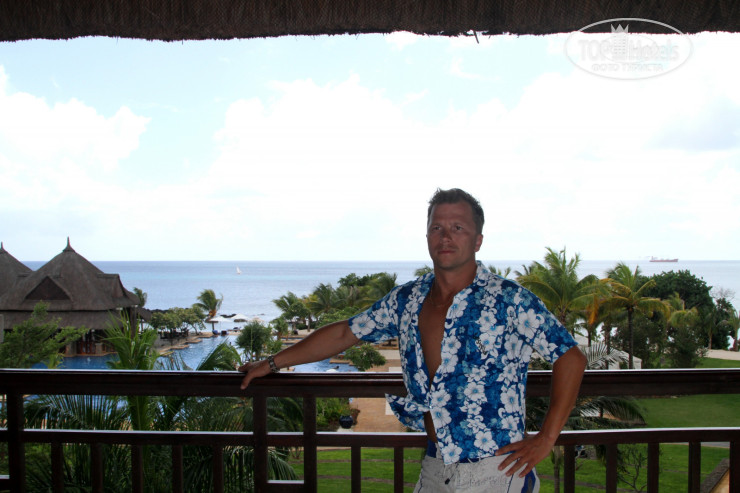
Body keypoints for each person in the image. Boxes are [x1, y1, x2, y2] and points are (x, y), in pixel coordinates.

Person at [240, 188, 587, 492]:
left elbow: (570, 357)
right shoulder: (407, 299)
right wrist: (272, 363)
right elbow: (346, 332)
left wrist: (547, 437)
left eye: (458, 228)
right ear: (427, 236)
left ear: (478, 240)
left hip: (496, 468)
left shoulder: (509, 299)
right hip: (436, 463)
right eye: (437, 228)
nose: (445, 237)